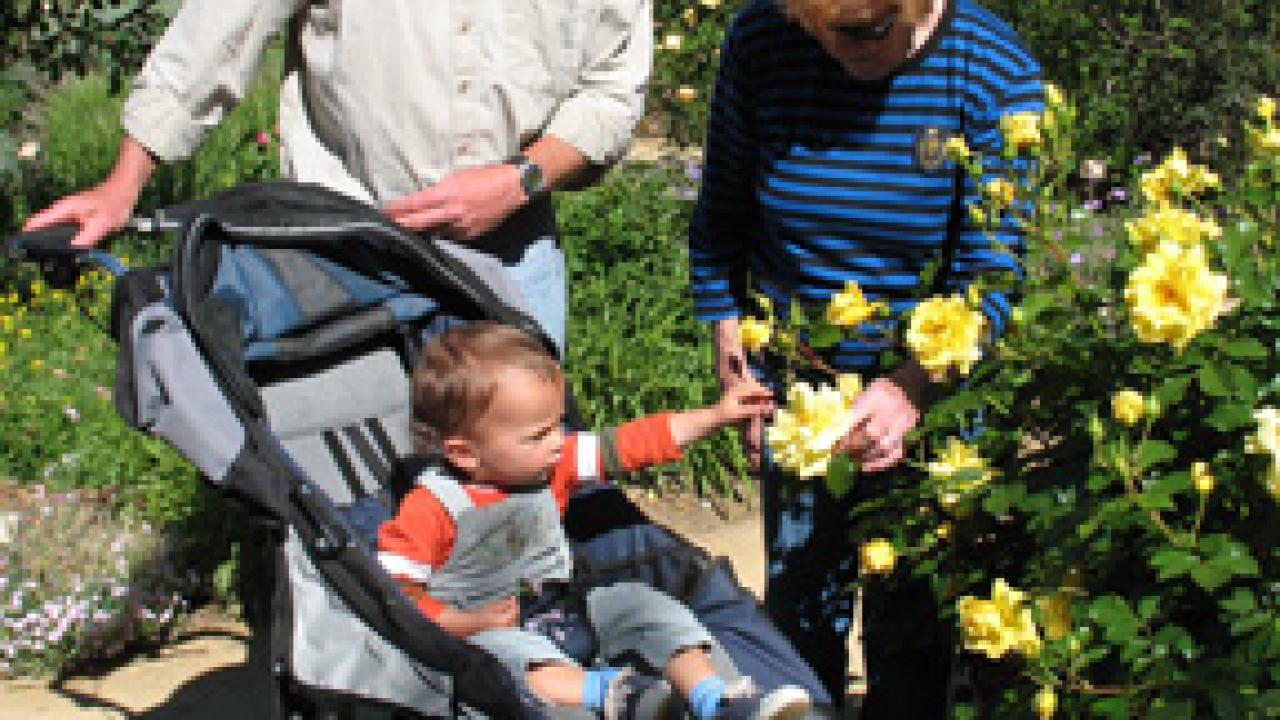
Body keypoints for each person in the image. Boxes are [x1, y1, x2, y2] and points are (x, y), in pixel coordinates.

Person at [687, 0, 1042, 716]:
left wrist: (911, 387)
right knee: (798, 609)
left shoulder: (992, 68)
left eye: (867, 30)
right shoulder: (761, 41)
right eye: (821, 30)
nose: (843, 49)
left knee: (913, 617)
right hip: (797, 389)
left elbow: (994, 274)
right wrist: (736, 355)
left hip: (935, 391)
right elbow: (720, 219)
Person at [21, 0, 655, 355]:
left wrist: (519, 179)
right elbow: (221, 30)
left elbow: (612, 92)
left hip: (511, 259)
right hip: (343, 253)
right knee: (339, 506)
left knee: (512, 505)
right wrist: (124, 181)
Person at [377, 321, 812, 719]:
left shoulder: (553, 464)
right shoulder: (431, 508)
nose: (557, 441)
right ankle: (615, 695)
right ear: (464, 453)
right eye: (539, 434)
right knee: (509, 661)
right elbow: (394, 592)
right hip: (488, 630)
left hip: (568, 608)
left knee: (645, 604)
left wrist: (716, 416)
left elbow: (632, 444)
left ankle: (715, 697)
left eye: (557, 425)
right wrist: (466, 624)